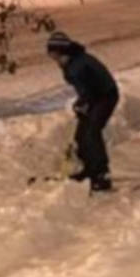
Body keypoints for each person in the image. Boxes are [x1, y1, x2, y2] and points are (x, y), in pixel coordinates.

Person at [46, 31, 120, 193]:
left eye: (55, 56)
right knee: (81, 134)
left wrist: (84, 103)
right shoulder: (73, 61)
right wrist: (82, 104)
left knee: (92, 132)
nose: (55, 61)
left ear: (62, 52)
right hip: (96, 96)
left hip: (105, 96)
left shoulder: (77, 66)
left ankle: (101, 174)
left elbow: (91, 89)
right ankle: (88, 168)